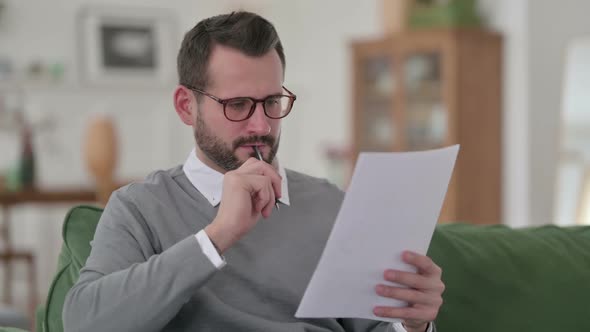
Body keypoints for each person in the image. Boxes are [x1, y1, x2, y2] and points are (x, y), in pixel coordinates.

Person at [63, 11, 444, 332]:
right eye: (239, 104)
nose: (261, 125)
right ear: (186, 106)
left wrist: (413, 324)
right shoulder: (140, 208)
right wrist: (217, 236)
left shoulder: (332, 203)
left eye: (272, 101)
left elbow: (373, 325)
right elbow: (84, 321)